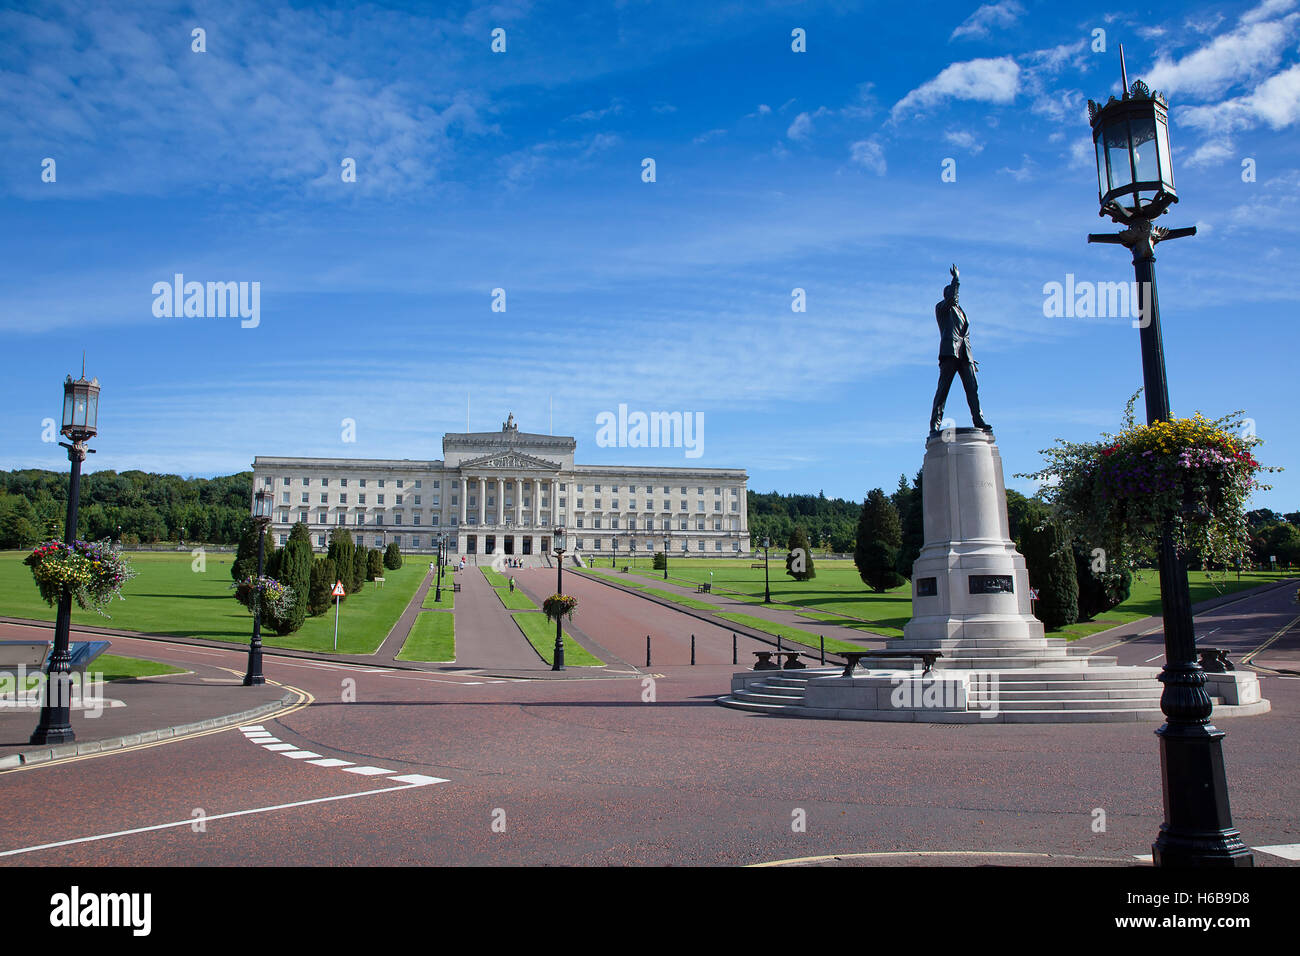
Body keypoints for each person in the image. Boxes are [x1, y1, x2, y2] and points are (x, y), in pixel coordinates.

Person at [929, 263, 991, 434]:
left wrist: (970, 357)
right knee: (943, 391)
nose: (955, 295)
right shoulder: (941, 308)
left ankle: (979, 420)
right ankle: (935, 425)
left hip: (965, 355)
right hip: (950, 353)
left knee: (973, 389)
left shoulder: (961, 311)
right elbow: (951, 300)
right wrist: (956, 279)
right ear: (947, 294)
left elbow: (964, 335)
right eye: (952, 292)